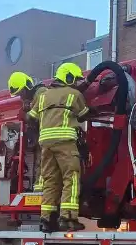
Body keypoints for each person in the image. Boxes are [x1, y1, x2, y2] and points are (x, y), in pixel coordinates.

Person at [28, 62, 90, 233]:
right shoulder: (74, 94)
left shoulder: (43, 96)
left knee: (50, 181)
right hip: (65, 142)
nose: (76, 83)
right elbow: (84, 115)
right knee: (71, 177)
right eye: (74, 79)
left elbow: (31, 117)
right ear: (68, 77)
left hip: (45, 144)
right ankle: (68, 218)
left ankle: (46, 220)